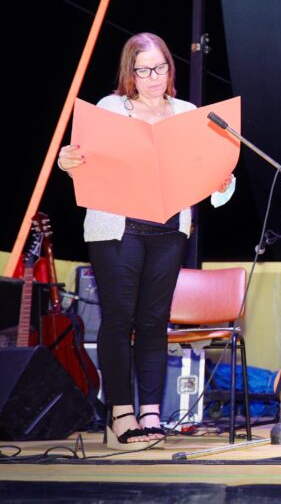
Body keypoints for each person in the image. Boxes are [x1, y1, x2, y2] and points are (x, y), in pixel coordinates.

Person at [56, 32, 234, 448]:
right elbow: (85, 160)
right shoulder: (111, 108)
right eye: (144, 70)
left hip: (169, 229)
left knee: (154, 322)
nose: (153, 77)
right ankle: (120, 413)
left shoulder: (189, 113)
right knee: (119, 321)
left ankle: (152, 412)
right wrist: (69, 160)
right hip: (118, 229)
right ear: (130, 72)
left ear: (171, 69)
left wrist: (221, 179)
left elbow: (209, 178)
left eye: (161, 68)